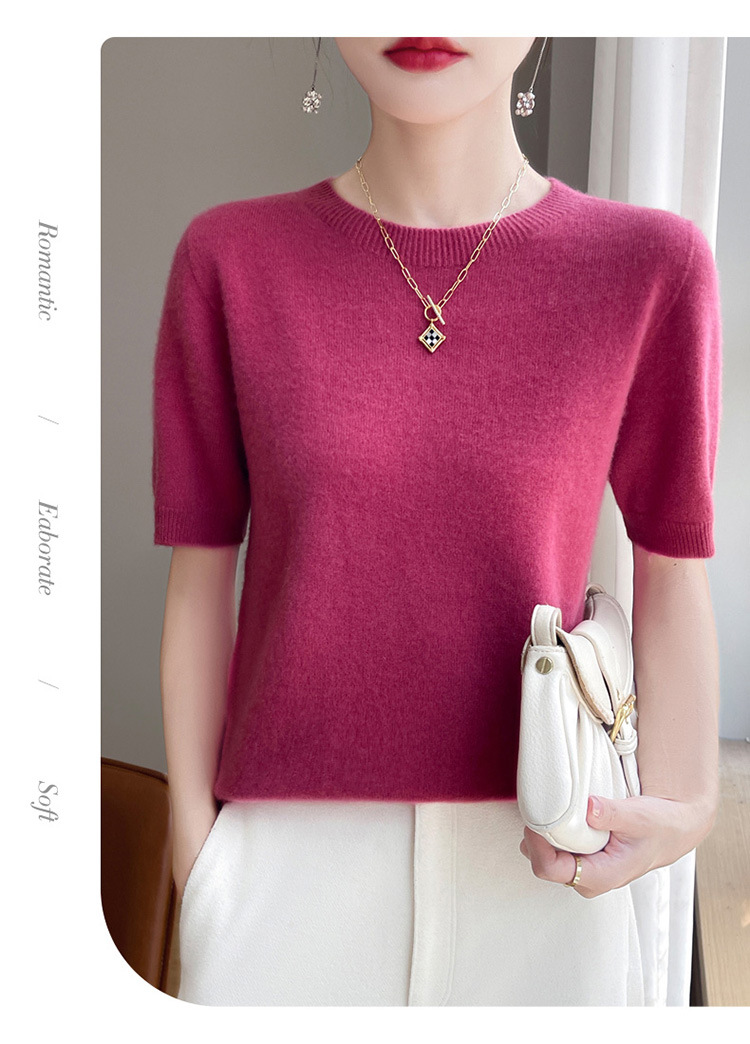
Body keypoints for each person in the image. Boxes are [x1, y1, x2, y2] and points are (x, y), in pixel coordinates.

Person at [151, 37, 722, 1006]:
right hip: (282, 878)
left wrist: (685, 806)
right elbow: (200, 571)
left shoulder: (648, 266)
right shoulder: (232, 259)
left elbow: (672, 564)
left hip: (548, 860)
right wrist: (196, 854)